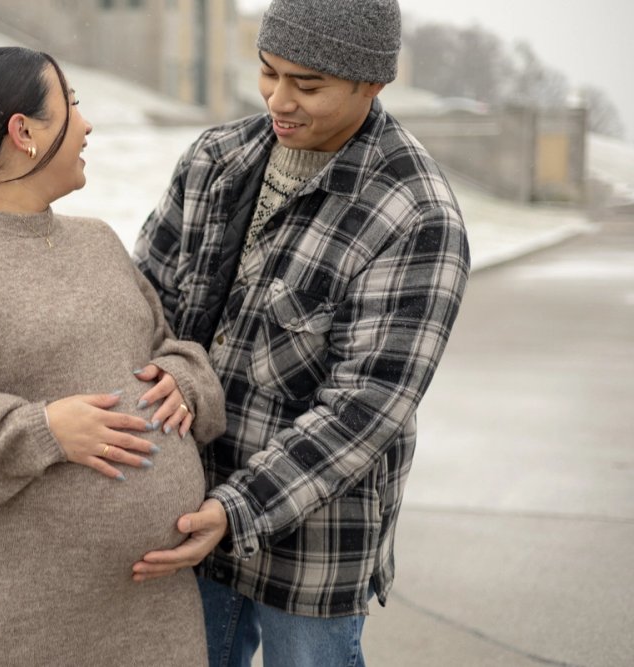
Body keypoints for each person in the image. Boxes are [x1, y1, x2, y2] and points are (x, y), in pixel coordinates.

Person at [131, 0, 471, 665]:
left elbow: (363, 410)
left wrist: (238, 507)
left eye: (307, 85)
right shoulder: (213, 160)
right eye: (267, 72)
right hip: (182, 509)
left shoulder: (417, 216)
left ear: (371, 83)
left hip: (316, 548)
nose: (278, 100)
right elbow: (144, 305)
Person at [0, 46, 226, 666]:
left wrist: (183, 380)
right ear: (25, 130)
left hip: (160, 604)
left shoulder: (98, 241)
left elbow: (168, 348)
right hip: (40, 615)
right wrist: (43, 431)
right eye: (73, 105)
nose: (86, 125)